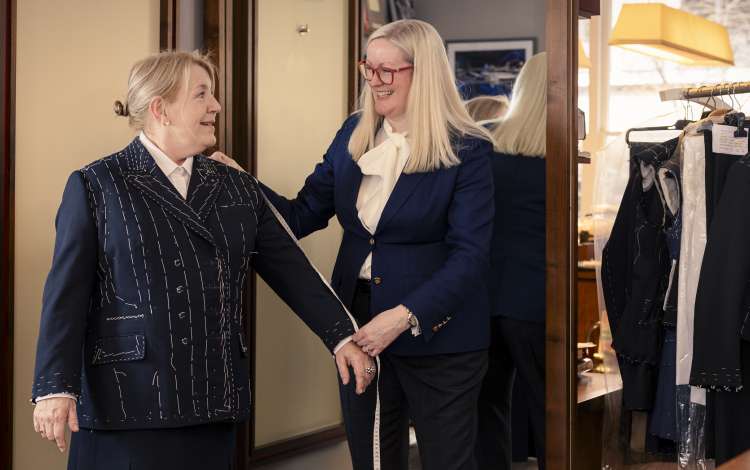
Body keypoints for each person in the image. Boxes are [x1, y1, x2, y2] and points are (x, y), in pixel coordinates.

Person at [30, 50, 374, 470]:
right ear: (162, 108)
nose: (216, 106)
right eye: (202, 94)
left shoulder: (236, 187)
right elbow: (65, 295)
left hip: (210, 396)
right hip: (125, 402)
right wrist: (54, 387)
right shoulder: (97, 184)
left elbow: (292, 270)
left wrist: (342, 336)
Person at [212, 18, 495, 470]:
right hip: (358, 326)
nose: (376, 82)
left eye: (388, 71)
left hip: (439, 338)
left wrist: (403, 319)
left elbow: (471, 257)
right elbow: (301, 215)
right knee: (373, 460)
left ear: (423, 73)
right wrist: (242, 183)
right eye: (369, 69)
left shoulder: (469, 150)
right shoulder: (353, 133)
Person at [474, 52, 547, 470]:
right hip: (536, 299)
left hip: (482, 294)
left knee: (489, 407)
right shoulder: (556, 151)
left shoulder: (484, 141)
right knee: (548, 408)